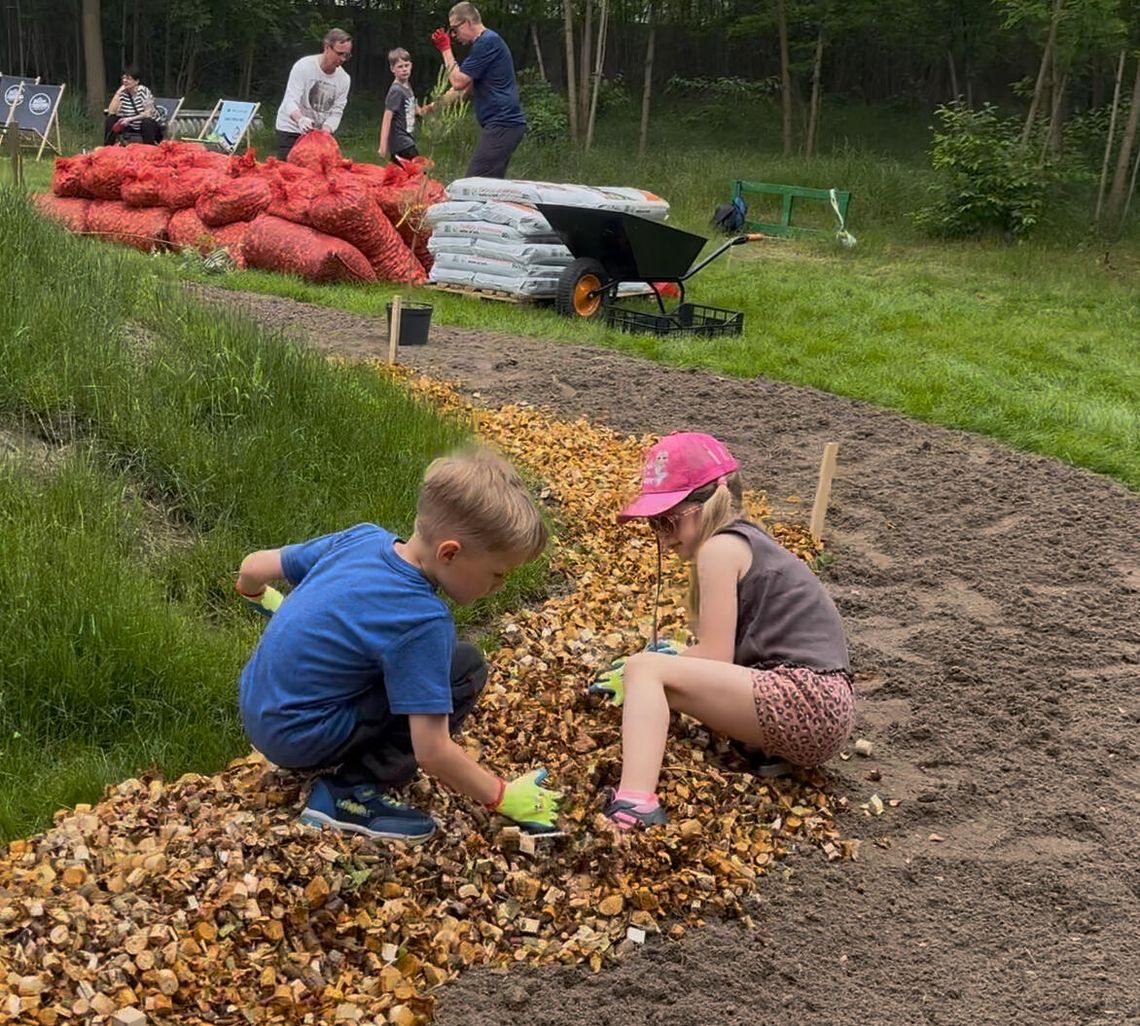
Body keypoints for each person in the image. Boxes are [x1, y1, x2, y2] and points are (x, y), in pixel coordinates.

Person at [234, 446, 562, 843]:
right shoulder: (423, 620)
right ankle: (351, 794)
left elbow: (252, 567)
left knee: (406, 666)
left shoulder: (361, 538)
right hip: (299, 738)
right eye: (497, 574)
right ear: (450, 553)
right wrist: (503, 796)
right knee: (463, 667)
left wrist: (266, 600)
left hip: (257, 706)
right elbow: (432, 750)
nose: (500, 587)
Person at [589, 432, 854, 830]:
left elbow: (715, 656)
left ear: (712, 503)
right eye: (653, 525)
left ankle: (635, 803)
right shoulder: (747, 541)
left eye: (668, 520)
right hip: (823, 708)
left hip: (805, 700)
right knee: (664, 668)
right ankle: (766, 750)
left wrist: (640, 670)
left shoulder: (718, 549)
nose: (662, 536)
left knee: (645, 669)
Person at [431, 3, 526, 178]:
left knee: (474, 185)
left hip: (503, 123)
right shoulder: (483, 45)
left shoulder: (488, 42)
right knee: (490, 188)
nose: (453, 35)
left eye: (454, 29)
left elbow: (458, 81)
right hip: (503, 125)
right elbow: (461, 90)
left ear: (467, 23)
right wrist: (430, 108)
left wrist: (445, 49)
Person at [274, 28, 353, 160]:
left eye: (347, 55)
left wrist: (326, 131)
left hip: (318, 135)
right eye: (339, 53)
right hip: (291, 129)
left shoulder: (344, 79)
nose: (343, 59)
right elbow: (290, 100)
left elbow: (337, 112)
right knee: (290, 173)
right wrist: (300, 119)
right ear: (327, 47)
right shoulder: (303, 66)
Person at [379, 47, 435, 163]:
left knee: (398, 176)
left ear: (411, 65)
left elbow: (417, 110)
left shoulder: (407, 86)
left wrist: (432, 107)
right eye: (400, 67)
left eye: (406, 65)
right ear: (392, 69)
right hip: (402, 143)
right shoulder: (396, 90)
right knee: (418, 172)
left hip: (407, 140)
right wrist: (383, 146)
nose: (404, 69)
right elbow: (387, 117)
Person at [104, 67, 164, 146]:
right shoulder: (123, 93)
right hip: (131, 127)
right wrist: (118, 92)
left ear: (136, 81)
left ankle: (149, 151)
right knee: (111, 119)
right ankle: (108, 148)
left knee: (146, 122)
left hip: (150, 127)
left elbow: (148, 113)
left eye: (128, 79)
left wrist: (129, 119)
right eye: (124, 78)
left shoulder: (143, 91)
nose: (125, 81)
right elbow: (111, 111)